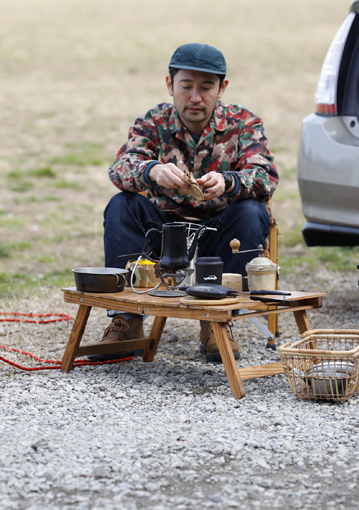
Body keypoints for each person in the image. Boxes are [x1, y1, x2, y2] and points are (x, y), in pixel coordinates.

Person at [89, 43, 279, 363]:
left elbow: (265, 177)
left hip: (220, 231)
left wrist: (229, 182)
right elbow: (120, 168)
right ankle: (128, 321)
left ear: (222, 88)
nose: (195, 97)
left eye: (206, 87)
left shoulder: (245, 123)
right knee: (122, 204)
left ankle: (217, 319)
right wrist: (153, 171)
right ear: (169, 85)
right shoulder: (152, 122)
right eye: (186, 86)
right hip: (163, 232)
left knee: (251, 211)